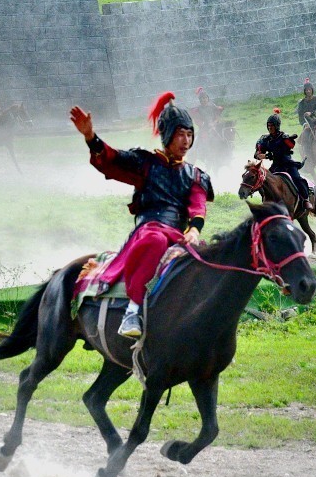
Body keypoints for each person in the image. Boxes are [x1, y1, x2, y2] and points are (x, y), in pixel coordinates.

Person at [70, 92, 213, 339]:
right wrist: (91, 137)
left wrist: (194, 230)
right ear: (168, 135)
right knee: (155, 240)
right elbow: (111, 159)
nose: (186, 140)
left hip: (178, 236)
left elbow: (198, 207)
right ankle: (132, 312)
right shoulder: (145, 164)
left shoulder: (196, 175)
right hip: (149, 231)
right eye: (181, 134)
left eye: (190, 134)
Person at [254, 108, 310, 200]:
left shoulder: (284, 138)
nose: (269, 128)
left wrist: (267, 156)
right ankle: (266, 200)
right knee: (264, 181)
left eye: (272, 125)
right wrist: (258, 154)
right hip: (276, 166)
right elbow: (258, 152)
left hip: (288, 164)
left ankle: (305, 200)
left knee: (297, 179)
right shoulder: (265, 139)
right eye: (268, 125)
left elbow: (282, 152)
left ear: (277, 126)